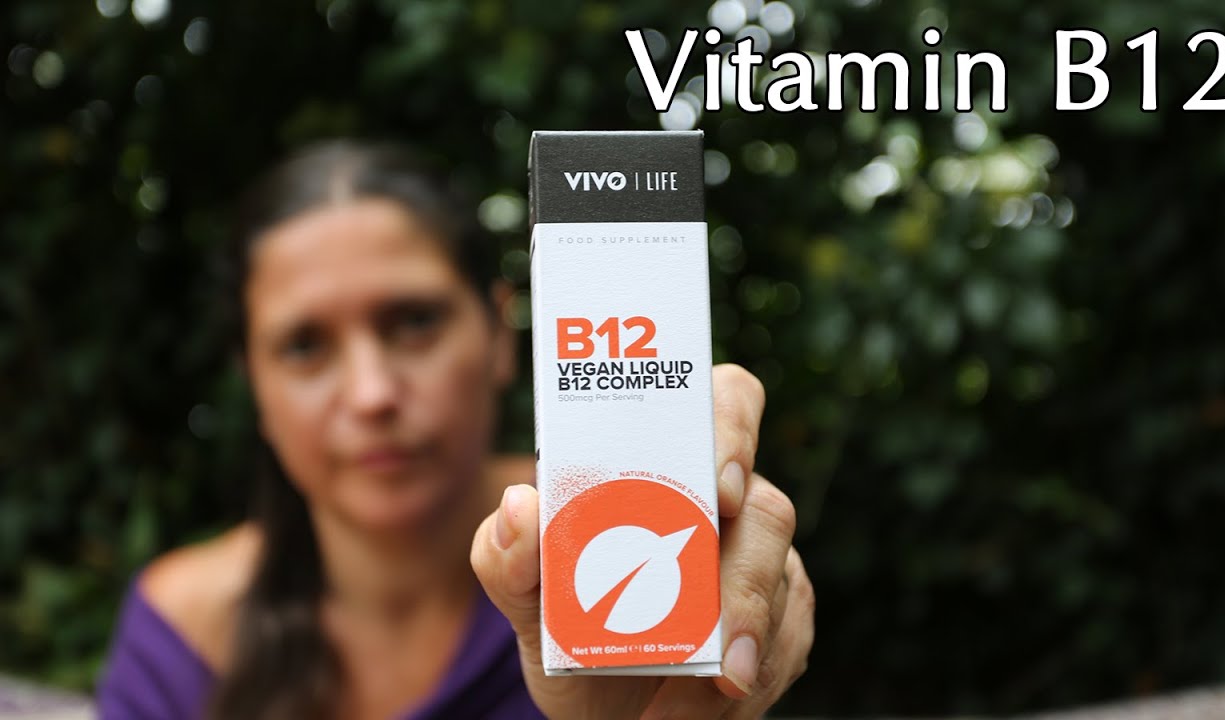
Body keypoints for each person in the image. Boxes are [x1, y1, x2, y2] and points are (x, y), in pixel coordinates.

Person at [95, 140, 814, 719]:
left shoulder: (618, 542)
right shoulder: (181, 636)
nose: (372, 394)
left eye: (414, 322)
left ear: (500, 334)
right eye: (305, 346)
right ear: (254, 383)